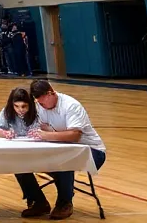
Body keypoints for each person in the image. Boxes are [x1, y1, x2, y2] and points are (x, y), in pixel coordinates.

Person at [13, 80, 106, 219]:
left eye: (43, 102)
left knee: (64, 161)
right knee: (19, 161)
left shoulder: (71, 106)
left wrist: (47, 134)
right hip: (60, 148)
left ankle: (64, 202)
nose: (41, 105)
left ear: (51, 93)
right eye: (38, 102)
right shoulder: (40, 107)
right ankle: (38, 201)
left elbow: (74, 135)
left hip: (90, 151)